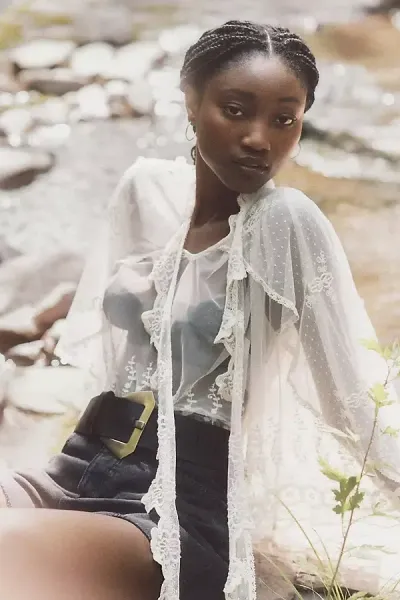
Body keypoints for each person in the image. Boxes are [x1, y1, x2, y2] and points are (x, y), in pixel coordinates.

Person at [0, 19, 400, 600]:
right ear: (191, 102)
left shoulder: (286, 223)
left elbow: (352, 398)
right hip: (79, 462)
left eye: (284, 118)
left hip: (177, 507)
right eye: (236, 110)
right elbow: (121, 351)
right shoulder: (145, 189)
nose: (259, 138)